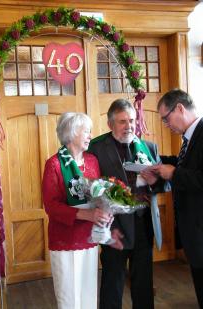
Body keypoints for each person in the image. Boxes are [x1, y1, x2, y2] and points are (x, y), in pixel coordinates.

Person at [89, 98, 166, 309]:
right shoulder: (96, 148)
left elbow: (164, 186)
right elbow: (91, 192)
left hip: (144, 225)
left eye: (132, 120)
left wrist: (154, 182)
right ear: (110, 124)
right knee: (113, 283)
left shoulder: (148, 146)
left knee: (143, 283)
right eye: (122, 121)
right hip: (115, 227)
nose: (129, 126)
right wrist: (109, 227)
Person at [42, 112, 112, 309]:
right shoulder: (54, 164)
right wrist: (87, 214)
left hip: (89, 238)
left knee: (89, 294)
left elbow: (99, 194)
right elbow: (51, 206)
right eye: (86, 131)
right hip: (65, 239)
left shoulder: (92, 161)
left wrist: (106, 208)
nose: (90, 135)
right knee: (69, 298)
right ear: (72, 133)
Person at [149, 89, 203, 308]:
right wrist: (158, 163)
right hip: (194, 233)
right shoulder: (190, 137)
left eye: (165, 117)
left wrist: (173, 173)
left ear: (180, 108)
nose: (165, 124)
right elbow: (187, 165)